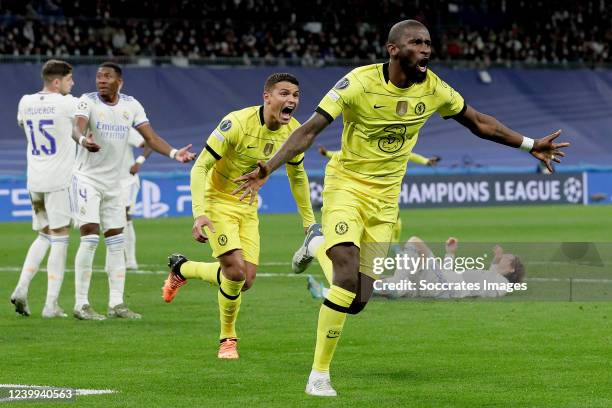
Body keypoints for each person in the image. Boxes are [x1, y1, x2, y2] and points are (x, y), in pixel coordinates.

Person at [233, 20, 569, 397]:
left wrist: (529, 144)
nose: (426, 49)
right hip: (346, 188)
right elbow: (309, 129)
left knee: (358, 300)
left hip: (385, 203)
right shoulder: (358, 83)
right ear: (393, 49)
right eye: (416, 42)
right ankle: (319, 375)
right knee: (343, 276)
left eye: (428, 43)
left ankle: (314, 244)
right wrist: (270, 166)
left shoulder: (435, 88)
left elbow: (479, 123)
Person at [162, 73, 315, 359]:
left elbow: (298, 176)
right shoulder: (236, 123)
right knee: (233, 271)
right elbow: (200, 167)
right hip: (217, 201)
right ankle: (227, 339)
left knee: (246, 280)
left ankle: (182, 269)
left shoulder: (294, 132)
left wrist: (309, 221)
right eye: (284, 93)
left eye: (295, 95)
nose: (291, 99)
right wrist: (200, 214)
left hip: (247, 207)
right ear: (266, 96)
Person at [71, 61, 195, 320]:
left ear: (120, 82)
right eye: (98, 76)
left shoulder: (131, 105)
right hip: (86, 180)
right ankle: (81, 304)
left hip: (115, 184)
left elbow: (150, 138)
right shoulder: (87, 101)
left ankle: (116, 304)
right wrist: (83, 140)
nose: (101, 80)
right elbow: (77, 127)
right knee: (91, 237)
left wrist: (174, 153)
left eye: (107, 77)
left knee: (117, 241)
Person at [11, 59, 77, 318]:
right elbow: (82, 119)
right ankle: (51, 304)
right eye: (70, 80)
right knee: (60, 238)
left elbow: (23, 125)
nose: (73, 85)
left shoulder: (25, 101)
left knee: (44, 235)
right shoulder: (67, 103)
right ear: (57, 81)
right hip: (58, 180)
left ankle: (21, 288)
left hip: (34, 179)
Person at [306, 236, 526, 299]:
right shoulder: (492, 276)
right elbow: (459, 274)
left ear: (511, 270)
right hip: (443, 282)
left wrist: (496, 265)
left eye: (508, 258)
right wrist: (450, 253)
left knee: (415, 242)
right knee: (386, 285)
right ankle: (327, 293)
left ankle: (403, 258)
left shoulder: (501, 284)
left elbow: (495, 287)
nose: (504, 256)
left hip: (447, 288)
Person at [120, 128, 152, 270]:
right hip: (106, 180)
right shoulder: (96, 126)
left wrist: (138, 162)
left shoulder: (125, 129)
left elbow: (149, 144)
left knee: (124, 215)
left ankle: (130, 260)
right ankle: (118, 259)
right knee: (111, 220)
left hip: (127, 180)